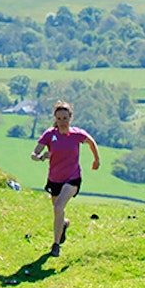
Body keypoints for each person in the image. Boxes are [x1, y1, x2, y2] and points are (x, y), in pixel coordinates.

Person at [31, 101, 100, 257]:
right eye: (59, 118)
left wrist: (96, 160)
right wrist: (42, 157)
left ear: (71, 117)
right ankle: (63, 224)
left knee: (58, 207)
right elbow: (33, 155)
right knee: (58, 209)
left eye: (65, 118)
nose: (62, 122)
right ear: (55, 119)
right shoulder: (50, 134)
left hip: (73, 178)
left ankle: (56, 245)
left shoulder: (77, 134)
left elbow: (91, 142)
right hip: (54, 179)